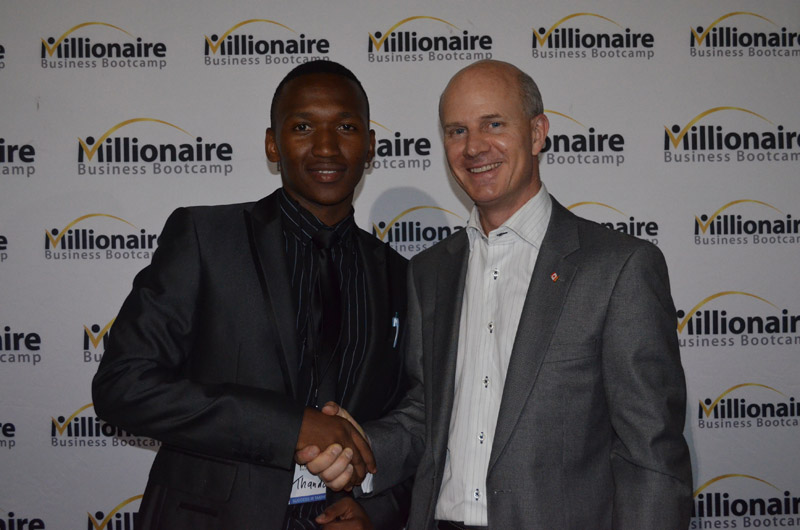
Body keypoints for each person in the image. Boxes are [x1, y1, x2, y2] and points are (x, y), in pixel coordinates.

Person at [302, 59, 693, 529]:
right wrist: (360, 446)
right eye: (457, 131)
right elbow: (427, 415)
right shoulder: (430, 271)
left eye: (494, 124)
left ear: (537, 133)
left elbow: (650, 456)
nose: (473, 147)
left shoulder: (618, 268)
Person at [92, 60, 411, 529]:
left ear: (370, 146)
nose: (326, 146)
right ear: (272, 144)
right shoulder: (206, 238)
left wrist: (377, 512)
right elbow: (124, 386)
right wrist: (291, 426)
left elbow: (412, 422)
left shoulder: (398, 274)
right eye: (302, 127)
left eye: (346, 127)